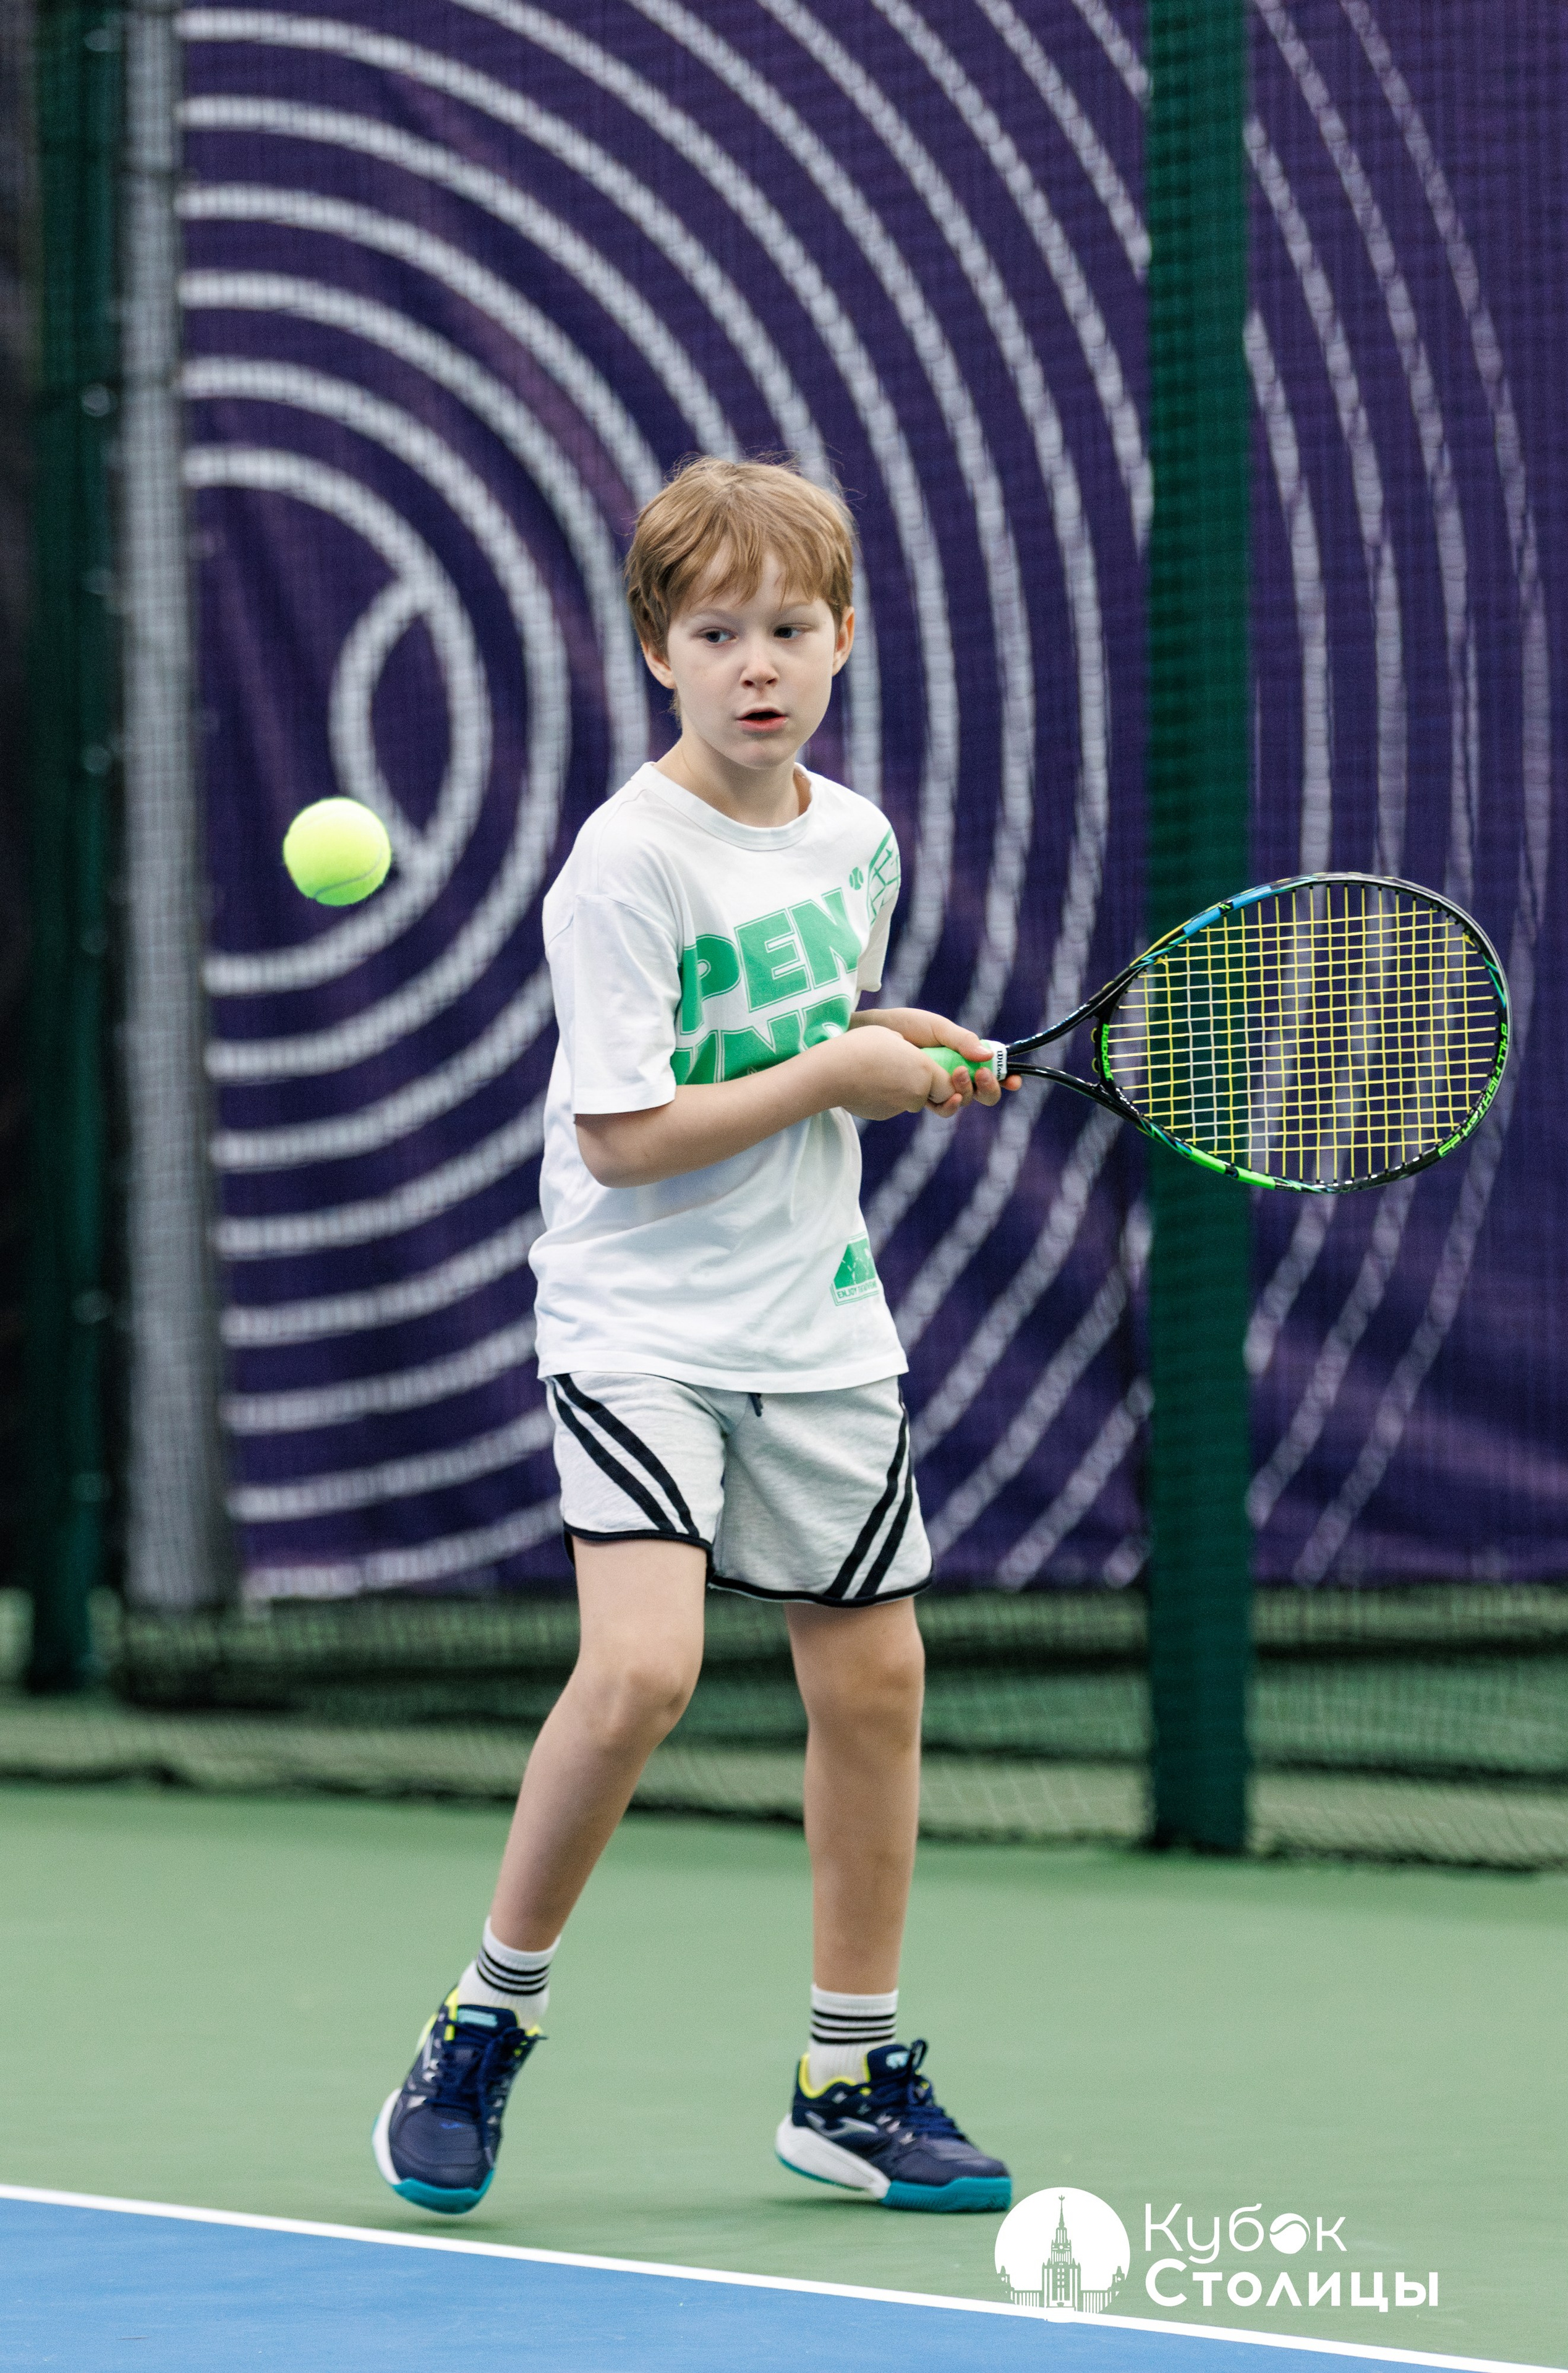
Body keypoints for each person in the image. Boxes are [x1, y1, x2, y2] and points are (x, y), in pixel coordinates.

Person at [373, 456, 1016, 2220]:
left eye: (790, 629)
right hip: (638, 1321)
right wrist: (830, 1074)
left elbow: (814, 1031)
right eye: (715, 630)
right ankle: (484, 2021)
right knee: (643, 1671)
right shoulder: (621, 865)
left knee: (875, 1677)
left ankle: (852, 2073)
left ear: (845, 639)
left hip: (815, 1321)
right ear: (656, 650)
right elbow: (627, 1134)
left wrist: (893, 1043)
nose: (757, 664)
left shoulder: (858, 836)